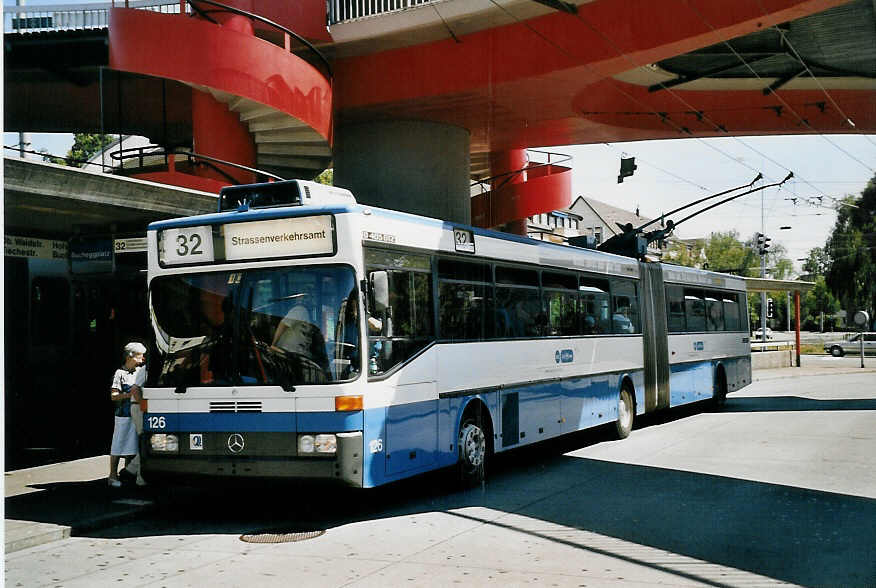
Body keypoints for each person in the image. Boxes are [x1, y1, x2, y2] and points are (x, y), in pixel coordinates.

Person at [108, 342, 146, 488]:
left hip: (135, 413)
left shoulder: (139, 371)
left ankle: (127, 473)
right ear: (130, 356)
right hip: (123, 414)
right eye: (140, 355)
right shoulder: (120, 373)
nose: (142, 359)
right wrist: (129, 394)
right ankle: (112, 475)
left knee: (133, 444)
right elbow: (114, 395)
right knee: (118, 444)